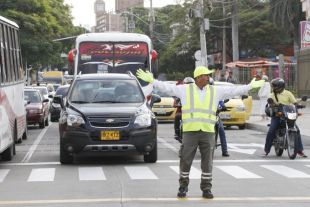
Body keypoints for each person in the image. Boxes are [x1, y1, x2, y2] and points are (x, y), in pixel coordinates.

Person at [136, 66, 264, 199]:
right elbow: (167, 88)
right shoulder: (185, 89)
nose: (208, 77)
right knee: (185, 160)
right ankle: (183, 187)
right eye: (205, 75)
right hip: (190, 132)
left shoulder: (216, 91)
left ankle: (206, 188)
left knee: (207, 162)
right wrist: (152, 80)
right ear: (197, 77)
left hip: (208, 132)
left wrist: (250, 86)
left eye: (208, 75)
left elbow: (234, 90)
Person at [263, 78, 307, 158]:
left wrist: (298, 105)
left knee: (297, 130)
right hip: (277, 114)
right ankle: (266, 150)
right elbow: (270, 102)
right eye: (273, 86)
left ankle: (300, 150)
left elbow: (294, 102)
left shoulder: (288, 93)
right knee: (271, 130)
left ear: (280, 86)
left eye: (274, 86)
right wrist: (272, 104)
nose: (273, 88)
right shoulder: (272, 95)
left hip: (288, 113)